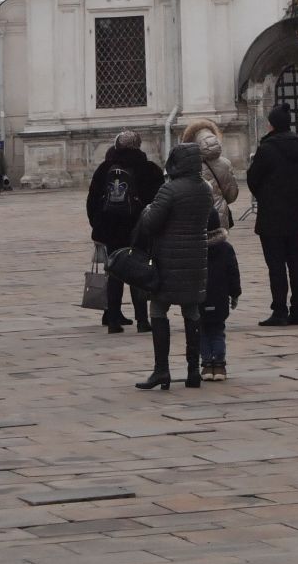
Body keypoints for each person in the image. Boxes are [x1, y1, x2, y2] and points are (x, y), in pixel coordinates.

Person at [134, 140, 212, 392]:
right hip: (196, 259)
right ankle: (192, 371)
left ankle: (161, 370)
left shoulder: (170, 190)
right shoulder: (205, 189)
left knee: (158, 309)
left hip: (168, 259)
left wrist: (147, 210)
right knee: (191, 311)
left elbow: (151, 223)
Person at [246, 102, 298, 324]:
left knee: (276, 265)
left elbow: (253, 179)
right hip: (296, 211)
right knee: (296, 261)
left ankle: (280, 309)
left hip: (272, 214)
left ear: (272, 124)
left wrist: (265, 195)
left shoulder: (267, 149)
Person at [86, 132, 153, 333]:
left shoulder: (104, 169)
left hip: (110, 229)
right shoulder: (148, 169)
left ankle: (113, 320)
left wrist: (97, 225)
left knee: (114, 273)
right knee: (138, 273)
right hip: (138, 229)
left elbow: (92, 201)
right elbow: (157, 202)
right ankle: (142, 320)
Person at [200, 207, 242, 379]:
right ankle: (219, 365)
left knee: (202, 331)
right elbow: (233, 273)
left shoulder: (196, 248)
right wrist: (235, 293)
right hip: (220, 298)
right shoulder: (225, 248)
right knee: (218, 331)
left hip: (200, 297)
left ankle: (206, 364)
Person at [179, 118, 239, 230]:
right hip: (219, 215)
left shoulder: (186, 163)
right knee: (219, 245)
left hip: (194, 216)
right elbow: (232, 194)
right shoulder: (225, 163)